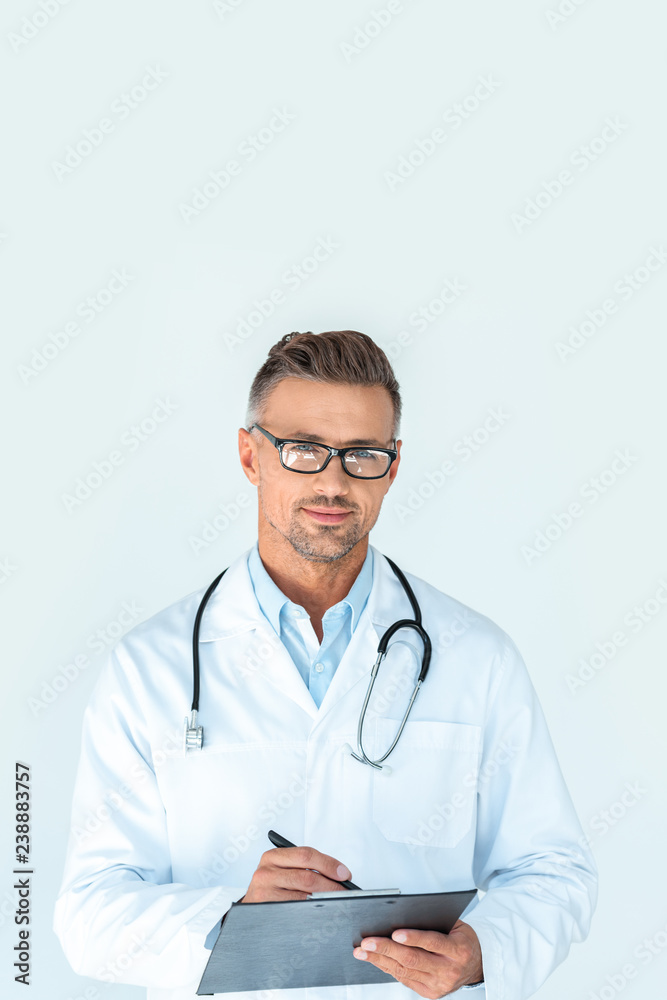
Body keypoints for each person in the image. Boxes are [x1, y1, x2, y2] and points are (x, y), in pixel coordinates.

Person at [54, 330, 597, 1000]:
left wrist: (478, 952)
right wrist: (233, 918)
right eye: (304, 450)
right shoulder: (150, 667)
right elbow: (88, 915)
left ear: (392, 467)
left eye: (362, 455)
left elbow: (553, 871)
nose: (334, 483)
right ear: (250, 456)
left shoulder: (475, 656)